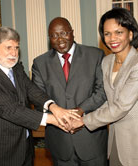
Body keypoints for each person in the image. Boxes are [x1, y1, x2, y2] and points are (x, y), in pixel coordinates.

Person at [0, 26, 79, 166]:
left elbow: (31, 90)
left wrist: (53, 106)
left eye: (16, 48)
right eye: (8, 47)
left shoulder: (16, 68)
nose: (14, 53)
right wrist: (53, 119)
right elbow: (11, 110)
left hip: (25, 147)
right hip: (0, 151)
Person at [72, 8, 138, 166]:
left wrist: (83, 121)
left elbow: (120, 106)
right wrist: (80, 113)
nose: (112, 38)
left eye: (119, 32)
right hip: (115, 141)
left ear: (130, 34)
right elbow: (109, 100)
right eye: (107, 33)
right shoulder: (107, 62)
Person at [32, 17, 108, 166]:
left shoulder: (95, 55)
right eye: (54, 35)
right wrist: (61, 118)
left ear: (72, 33)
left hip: (91, 140)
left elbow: (102, 92)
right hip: (60, 142)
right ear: (49, 38)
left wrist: (80, 110)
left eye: (64, 33)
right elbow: (37, 97)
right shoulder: (40, 63)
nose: (60, 39)